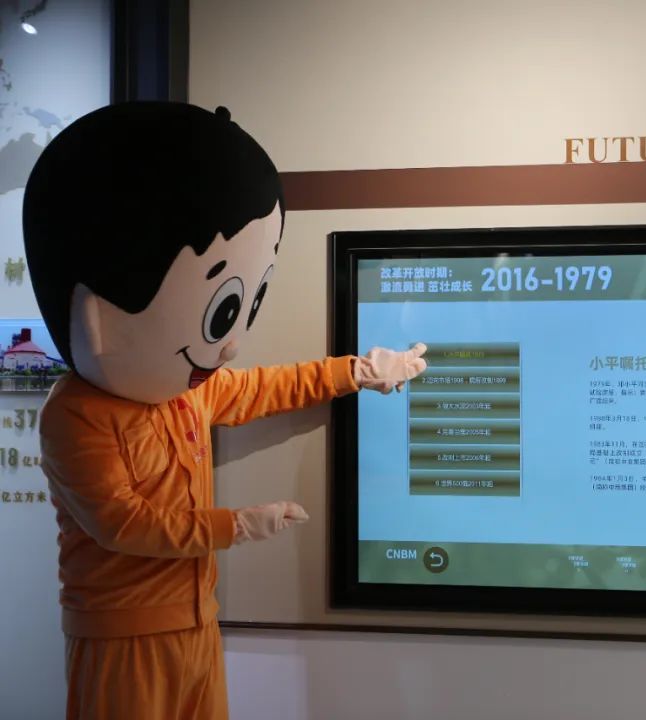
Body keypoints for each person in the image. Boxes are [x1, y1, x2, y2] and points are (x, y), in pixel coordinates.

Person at [23, 102, 428, 720]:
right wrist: (232, 526)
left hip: (197, 623)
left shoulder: (186, 391)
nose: (229, 346)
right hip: (121, 638)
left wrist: (358, 371)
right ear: (96, 315)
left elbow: (264, 387)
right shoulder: (75, 415)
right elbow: (122, 524)